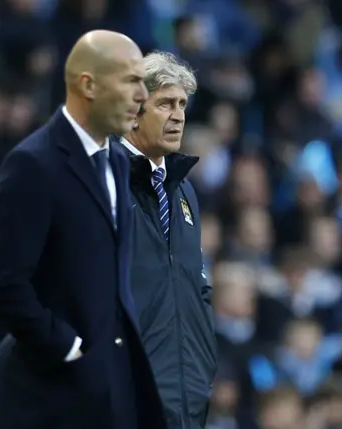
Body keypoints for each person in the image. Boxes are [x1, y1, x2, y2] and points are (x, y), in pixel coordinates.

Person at [0, 31, 167, 429]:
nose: (142, 96)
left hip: (110, 391)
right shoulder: (32, 164)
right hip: (47, 399)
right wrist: (68, 348)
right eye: (130, 80)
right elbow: (2, 285)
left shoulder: (117, 160)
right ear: (88, 85)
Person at [113, 51, 218, 429]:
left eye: (183, 104)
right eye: (165, 104)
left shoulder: (184, 190)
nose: (178, 115)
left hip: (185, 396)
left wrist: (204, 367)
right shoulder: (102, 180)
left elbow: (196, 288)